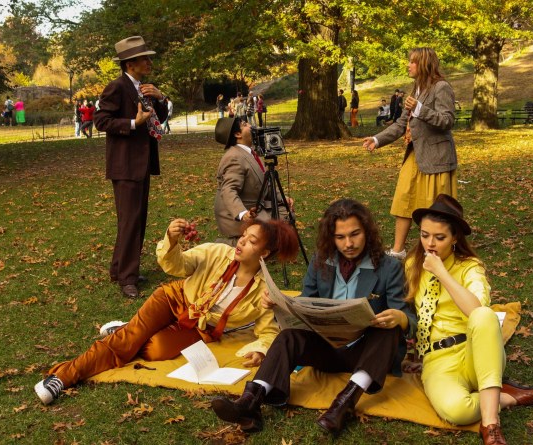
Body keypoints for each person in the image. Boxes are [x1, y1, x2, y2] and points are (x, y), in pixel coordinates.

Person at [34, 217, 300, 405]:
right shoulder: (217, 252)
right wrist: (172, 240)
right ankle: (63, 376)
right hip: (174, 299)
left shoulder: (263, 290)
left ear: (264, 253)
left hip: (199, 328)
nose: (241, 242)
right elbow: (178, 265)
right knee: (127, 342)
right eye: (243, 236)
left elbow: (267, 330)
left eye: (251, 241)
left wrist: (260, 350)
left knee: (154, 351)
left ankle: (133, 328)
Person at [212, 198, 417, 434]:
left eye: (355, 234)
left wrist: (399, 319)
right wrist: (279, 305)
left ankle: (344, 405)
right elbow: (305, 302)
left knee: (387, 331)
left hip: (366, 354)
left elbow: (408, 318)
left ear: (367, 232)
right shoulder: (321, 261)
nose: (348, 244)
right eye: (340, 237)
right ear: (331, 237)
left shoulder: (388, 267)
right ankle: (250, 401)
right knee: (288, 336)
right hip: (326, 348)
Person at [405, 194, 533, 444]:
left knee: (484, 314)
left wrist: (442, 272)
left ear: (455, 237)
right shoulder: (413, 265)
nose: (430, 244)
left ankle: (490, 425)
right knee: (456, 411)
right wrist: (416, 351)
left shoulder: (470, 267)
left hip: (476, 349)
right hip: (439, 359)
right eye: (425, 235)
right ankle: (506, 396)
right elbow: (411, 311)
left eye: (440, 237)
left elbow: (477, 310)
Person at [363, 47, 458, 261]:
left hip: (436, 158)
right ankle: (398, 251)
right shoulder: (416, 88)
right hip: (415, 156)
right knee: (403, 200)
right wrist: (377, 140)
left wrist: (420, 109)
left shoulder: (441, 87)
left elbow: (447, 121)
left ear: (423, 64)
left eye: (412, 62)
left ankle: (435, 252)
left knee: (434, 208)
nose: (408, 65)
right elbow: (400, 124)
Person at [93, 36, 168, 298]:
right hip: (125, 165)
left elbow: (158, 117)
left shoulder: (144, 87)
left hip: (143, 163)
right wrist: (133, 123)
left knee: (136, 219)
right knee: (130, 221)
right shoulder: (116, 87)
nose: (149, 62)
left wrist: (160, 98)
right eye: (145, 58)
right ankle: (128, 277)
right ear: (130, 63)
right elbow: (101, 121)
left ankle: (120, 269)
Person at [213, 117, 293, 246]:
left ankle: (260, 242)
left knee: (287, 214)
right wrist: (243, 213)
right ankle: (231, 243)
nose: (250, 126)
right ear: (238, 134)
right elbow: (228, 190)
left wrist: (283, 198)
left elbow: (266, 183)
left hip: (255, 206)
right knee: (276, 227)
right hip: (238, 213)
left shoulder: (251, 153)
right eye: (245, 124)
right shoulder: (234, 157)